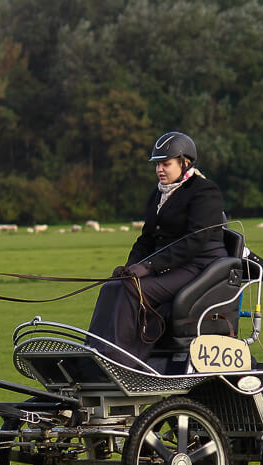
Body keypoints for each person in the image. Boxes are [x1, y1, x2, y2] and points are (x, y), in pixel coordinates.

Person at [87, 131, 229, 366]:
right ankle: (94, 351)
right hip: (171, 264)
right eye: (157, 165)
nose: (159, 170)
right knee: (113, 287)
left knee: (134, 291)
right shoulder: (158, 193)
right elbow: (147, 238)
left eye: (166, 164)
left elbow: (194, 242)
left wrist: (149, 266)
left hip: (198, 266)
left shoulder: (205, 192)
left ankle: (121, 360)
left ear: (185, 163)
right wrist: (130, 266)